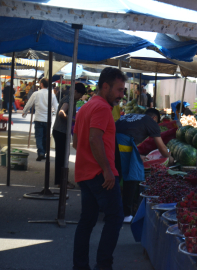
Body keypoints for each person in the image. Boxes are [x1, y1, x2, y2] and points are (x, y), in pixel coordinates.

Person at [72, 67, 125, 270]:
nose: (121, 95)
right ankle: (104, 265)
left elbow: (77, 142)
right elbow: (94, 138)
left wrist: (91, 159)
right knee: (115, 218)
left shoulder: (86, 106)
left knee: (87, 222)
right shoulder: (102, 108)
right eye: (119, 90)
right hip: (100, 175)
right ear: (105, 86)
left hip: (85, 173)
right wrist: (106, 169)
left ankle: (80, 266)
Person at [115, 108, 174, 223]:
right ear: (155, 118)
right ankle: (126, 214)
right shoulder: (151, 122)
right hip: (123, 145)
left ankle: (108, 209)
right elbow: (161, 148)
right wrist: (169, 157)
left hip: (110, 142)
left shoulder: (132, 116)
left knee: (115, 175)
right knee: (131, 176)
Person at [52, 83, 86, 189]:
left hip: (61, 131)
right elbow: (61, 113)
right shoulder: (69, 100)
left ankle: (61, 180)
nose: (80, 97)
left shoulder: (71, 99)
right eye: (80, 95)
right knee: (62, 158)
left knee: (62, 157)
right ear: (75, 91)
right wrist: (73, 120)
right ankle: (61, 181)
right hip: (60, 131)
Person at [22, 78, 58, 161]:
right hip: (48, 119)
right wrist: (58, 116)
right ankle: (44, 152)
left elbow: (29, 104)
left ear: (41, 84)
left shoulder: (36, 93)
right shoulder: (52, 95)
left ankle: (41, 152)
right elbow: (56, 107)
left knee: (39, 137)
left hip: (38, 119)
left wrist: (25, 111)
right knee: (45, 137)